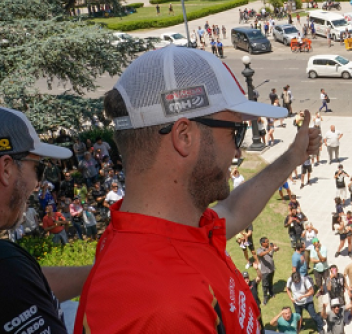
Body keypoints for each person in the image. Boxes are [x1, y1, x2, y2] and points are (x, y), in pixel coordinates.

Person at [75, 48, 321, 332]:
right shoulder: (167, 308)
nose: (238, 150)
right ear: (184, 136)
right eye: (234, 132)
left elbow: (232, 211)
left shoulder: (163, 230)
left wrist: (293, 156)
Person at [0, 107, 92, 333]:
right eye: (38, 168)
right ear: (6, 169)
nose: (37, 184)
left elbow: (28, 284)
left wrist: (104, 270)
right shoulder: (6, 264)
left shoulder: (12, 271)